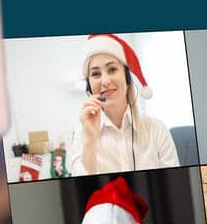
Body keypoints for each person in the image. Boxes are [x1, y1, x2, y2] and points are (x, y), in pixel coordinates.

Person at [71, 33, 180, 175]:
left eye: (112, 70)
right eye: (96, 74)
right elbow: (83, 192)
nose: (105, 81)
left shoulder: (156, 129)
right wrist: (90, 142)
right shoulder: (82, 134)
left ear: (127, 78)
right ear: (89, 86)